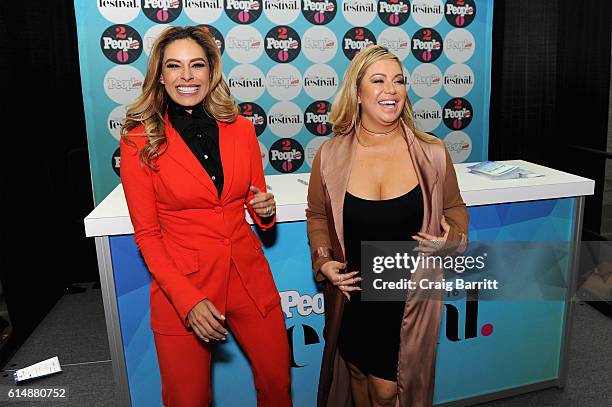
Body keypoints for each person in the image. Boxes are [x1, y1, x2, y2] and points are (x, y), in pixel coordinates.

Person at [120, 26, 291, 407]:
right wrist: (187, 301)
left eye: (197, 65)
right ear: (160, 75)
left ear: (211, 71)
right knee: (188, 399)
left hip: (248, 276)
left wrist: (265, 211)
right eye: (175, 66)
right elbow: (147, 235)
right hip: (184, 284)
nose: (187, 76)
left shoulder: (242, 129)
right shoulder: (137, 140)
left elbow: (255, 200)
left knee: (277, 385)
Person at [306, 45, 469, 407]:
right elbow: (316, 213)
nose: (391, 89)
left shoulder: (432, 152)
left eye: (398, 81)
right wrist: (323, 259)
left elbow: (455, 208)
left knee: (386, 389)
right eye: (378, 80)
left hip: (404, 293)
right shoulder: (330, 155)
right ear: (358, 93)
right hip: (353, 292)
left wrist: (450, 239)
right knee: (356, 373)